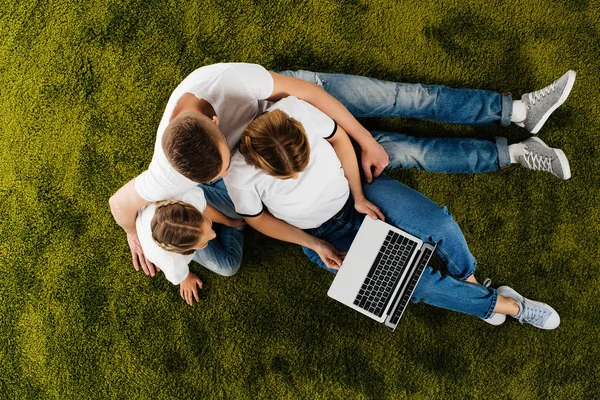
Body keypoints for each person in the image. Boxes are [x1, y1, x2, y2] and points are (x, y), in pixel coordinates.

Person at [109, 63, 575, 280]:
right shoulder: (167, 170)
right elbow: (120, 204)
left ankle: (515, 111)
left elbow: (312, 99)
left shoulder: (226, 81)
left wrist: (362, 140)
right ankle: (512, 153)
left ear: (213, 119)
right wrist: (134, 234)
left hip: (290, 111)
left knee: (397, 99)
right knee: (404, 151)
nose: (227, 164)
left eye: (224, 158)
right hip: (275, 159)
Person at [223, 96, 560, 329]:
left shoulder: (295, 110)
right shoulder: (239, 173)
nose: (298, 176)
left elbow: (340, 140)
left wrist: (357, 194)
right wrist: (314, 245)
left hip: (360, 194)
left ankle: (471, 284)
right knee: (415, 285)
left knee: (437, 223)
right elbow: (259, 219)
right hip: (323, 236)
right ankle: (511, 305)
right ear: (257, 163)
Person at [135, 187, 241, 305]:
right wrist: (185, 277)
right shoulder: (171, 262)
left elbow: (205, 210)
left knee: (240, 209)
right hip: (170, 246)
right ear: (188, 251)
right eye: (204, 243)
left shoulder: (187, 199)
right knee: (228, 266)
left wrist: (229, 222)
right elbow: (177, 273)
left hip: (186, 196)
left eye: (208, 222)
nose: (213, 234)